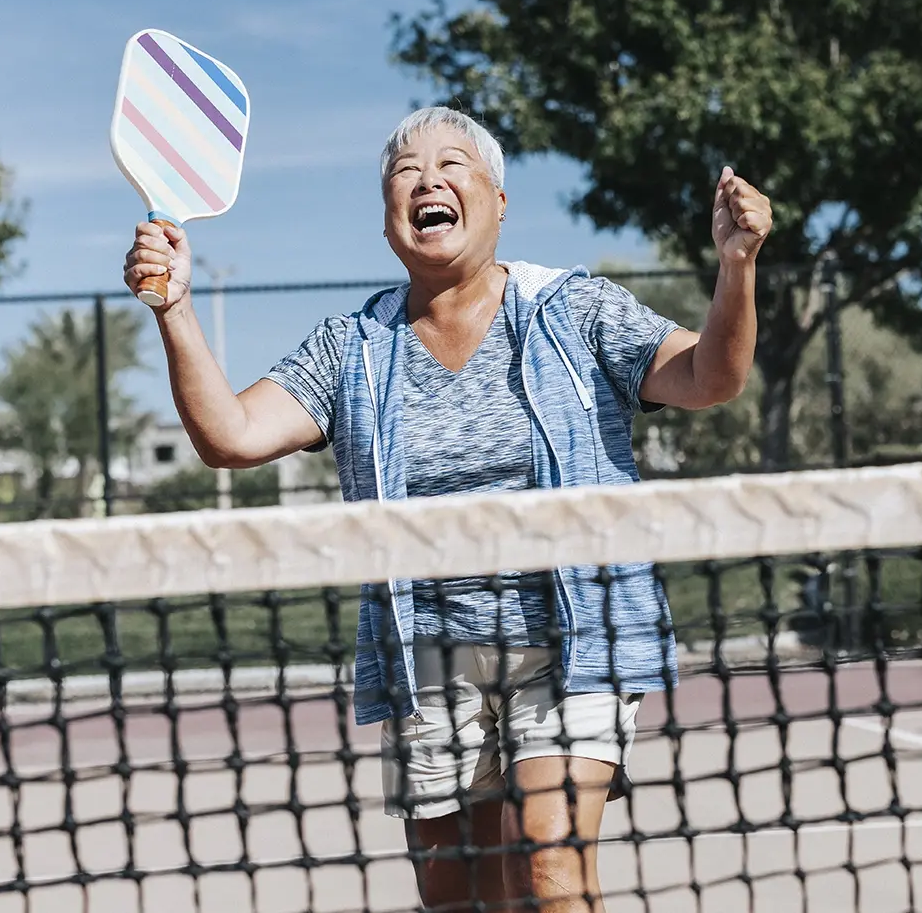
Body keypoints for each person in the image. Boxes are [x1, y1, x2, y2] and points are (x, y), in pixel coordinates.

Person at [122, 105, 770, 912]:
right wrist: (175, 309)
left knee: (547, 875)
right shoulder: (348, 345)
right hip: (422, 655)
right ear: (389, 222)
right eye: (404, 170)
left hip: (575, 639)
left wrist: (736, 265)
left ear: (499, 202)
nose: (427, 178)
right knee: (457, 895)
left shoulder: (578, 310)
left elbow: (711, 377)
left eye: (453, 164)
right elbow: (230, 436)